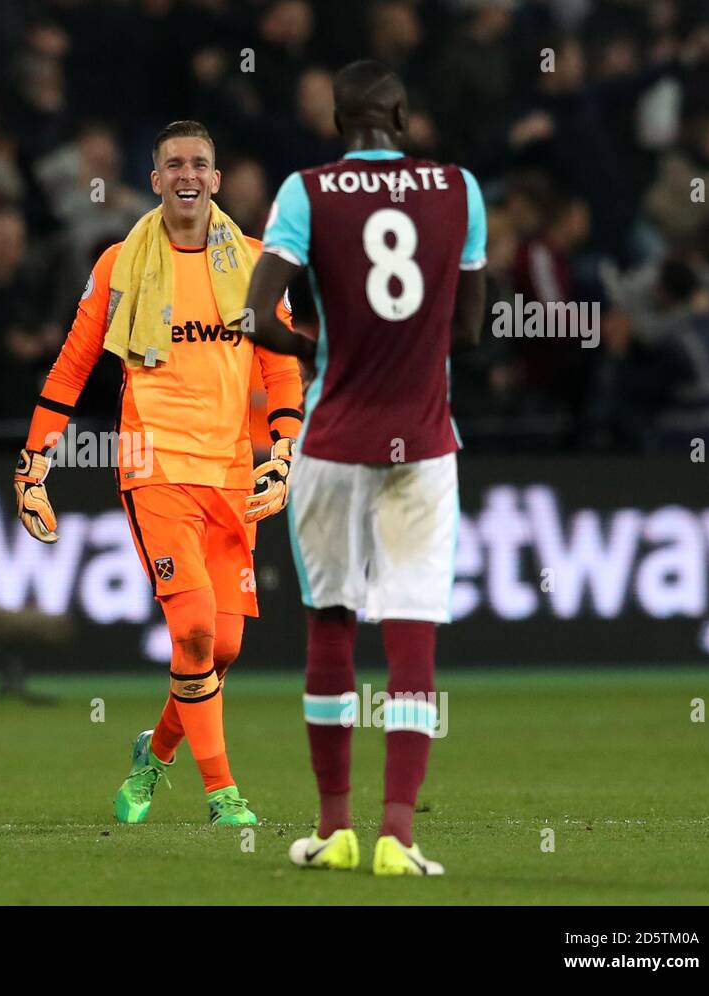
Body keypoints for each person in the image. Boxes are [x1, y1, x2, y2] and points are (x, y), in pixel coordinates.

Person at [13, 120, 304, 826]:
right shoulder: (120, 262)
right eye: (172, 162)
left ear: (215, 178)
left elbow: (282, 362)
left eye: (198, 163)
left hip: (232, 469)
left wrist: (284, 449)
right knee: (196, 630)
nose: (185, 174)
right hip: (154, 465)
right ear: (155, 179)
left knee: (222, 648)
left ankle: (157, 753)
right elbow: (75, 361)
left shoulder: (258, 264)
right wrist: (34, 462)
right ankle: (222, 793)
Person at [244, 60, 486, 875]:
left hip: (331, 439)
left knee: (332, 621)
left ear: (338, 119)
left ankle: (334, 828)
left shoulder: (304, 192)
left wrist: (317, 346)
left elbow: (256, 313)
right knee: (412, 631)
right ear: (404, 116)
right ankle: (399, 836)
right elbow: (474, 332)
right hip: (424, 442)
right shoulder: (460, 188)